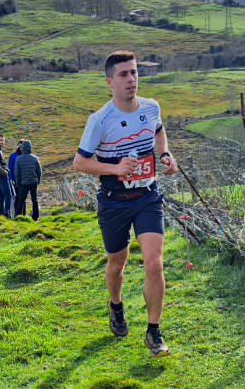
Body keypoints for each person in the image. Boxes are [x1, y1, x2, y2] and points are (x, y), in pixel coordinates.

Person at [73, 50, 178, 357]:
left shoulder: (151, 107)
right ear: (110, 82)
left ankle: (154, 332)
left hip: (147, 197)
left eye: (134, 72)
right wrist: (116, 168)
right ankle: (116, 305)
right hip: (114, 202)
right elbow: (80, 162)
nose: (131, 79)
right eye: (123, 74)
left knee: (154, 262)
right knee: (117, 262)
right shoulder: (100, 120)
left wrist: (164, 154)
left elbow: (159, 131)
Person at [13, 140, 43, 221]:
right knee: (34, 200)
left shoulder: (19, 159)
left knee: (21, 200)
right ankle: (35, 217)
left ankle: (17, 216)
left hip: (24, 183)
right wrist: (38, 180)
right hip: (33, 182)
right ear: (30, 148)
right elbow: (39, 171)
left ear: (22, 148)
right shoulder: (35, 158)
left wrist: (18, 183)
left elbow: (17, 173)